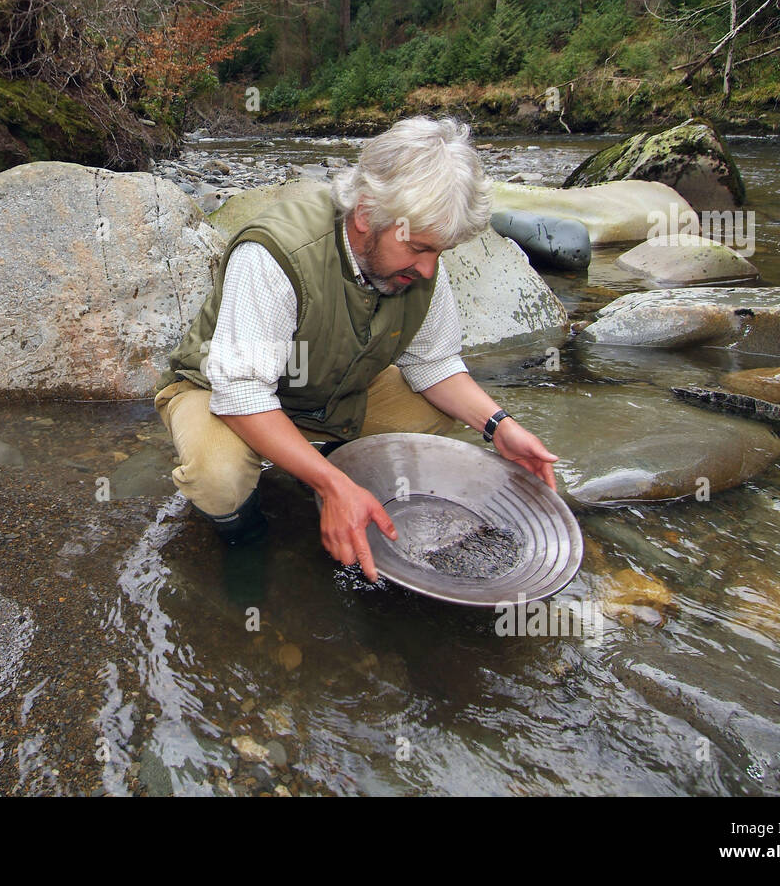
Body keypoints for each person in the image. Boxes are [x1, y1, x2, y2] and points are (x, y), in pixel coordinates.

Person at [154, 116, 558, 583]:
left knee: (432, 418)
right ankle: (247, 538)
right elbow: (242, 394)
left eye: (439, 253)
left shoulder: (419, 263)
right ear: (366, 214)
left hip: (325, 391)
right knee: (217, 479)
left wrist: (499, 426)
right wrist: (332, 486)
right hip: (220, 389)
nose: (428, 270)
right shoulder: (276, 254)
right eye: (420, 248)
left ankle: (327, 470)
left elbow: (436, 364)